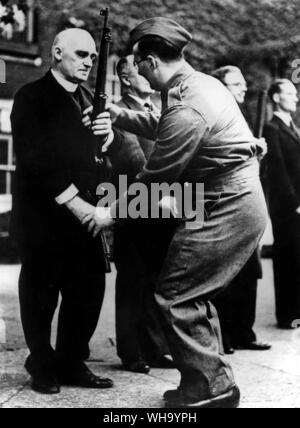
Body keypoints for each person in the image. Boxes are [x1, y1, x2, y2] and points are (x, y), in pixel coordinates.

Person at [83, 18, 267, 408]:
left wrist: (109, 213)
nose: (140, 75)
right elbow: (159, 124)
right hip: (230, 196)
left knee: (176, 293)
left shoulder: (187, 106)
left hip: (226, 202)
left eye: (138, 66)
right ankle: (209, 382)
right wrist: (116, 113)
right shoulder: (199, 84)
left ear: (149, 61)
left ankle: (212, 390)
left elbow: (154, 177)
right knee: (192, 292)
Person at [10, 29, 115, 394]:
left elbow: (96, 158)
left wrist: (107, 135)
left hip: (83, 219)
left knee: (87, 292)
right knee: (41, 293)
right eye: (81, 54)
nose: (89, 62)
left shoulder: (89, 99)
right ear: (57, 52)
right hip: (43, 219)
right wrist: (79, 205)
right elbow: (36, 161)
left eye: (92, 57)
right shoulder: (31, 97)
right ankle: (41, 363)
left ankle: (71, 361)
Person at [110, 55, 174, 373]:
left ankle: (155, 348)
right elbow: (133, 158)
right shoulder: (119, 112)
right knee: (132, 283)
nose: (150, 77)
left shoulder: (158, 113)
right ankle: (130, 352)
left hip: (161, 212)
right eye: (141, 73)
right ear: (124, 78)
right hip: (134, 209)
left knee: (154, 281)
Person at [211, 65, 271, 353]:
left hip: (246, 201)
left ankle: (243, 332)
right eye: (237, 84)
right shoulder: (217, 114)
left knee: (248, 272)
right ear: (222, 87)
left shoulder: (241, 116)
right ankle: (227, 335)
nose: (243, 88)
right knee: (226, 275)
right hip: (223, 202)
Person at [263, 79, 300, 329]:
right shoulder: (271, 127)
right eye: (289, 93)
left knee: (298, 258)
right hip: (287, 207)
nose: (295, 98)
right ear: (276, 97)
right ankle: (286, 315)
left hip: (297, 204)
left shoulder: (293, 127)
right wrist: (294, 203)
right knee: (287, 257)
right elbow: (277, 169)